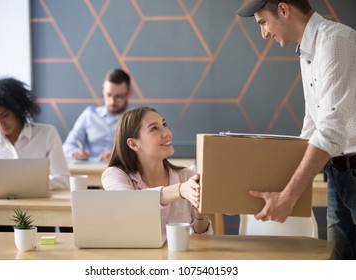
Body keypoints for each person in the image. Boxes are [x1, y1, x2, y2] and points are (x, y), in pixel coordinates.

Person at [236, 0, 356, 259]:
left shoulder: (334, 41)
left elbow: (330, 129)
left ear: (283, 9)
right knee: (342, 264)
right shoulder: (308, 51)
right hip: (337, 173)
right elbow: (312, 124)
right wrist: (278, 185)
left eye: (263, 22)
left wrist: (288, 195)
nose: (264, 33)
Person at [101, 107, 212, 235]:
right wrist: (180, 190)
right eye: (154, 128)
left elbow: (203, 240)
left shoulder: (187, 177)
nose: (166, 133)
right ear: (133, 144)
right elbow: (129, 202)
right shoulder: (114, 175)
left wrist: (200, 212)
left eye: (164, 125)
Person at [0, 77, 70, 190]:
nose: (1, 124)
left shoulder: (47, 134)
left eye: (5, 115)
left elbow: (63, 181)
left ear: (18, 110)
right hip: (0, 206)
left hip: (38, 205)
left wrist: (25, 185)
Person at [63, 68, 132, 162]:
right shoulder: (89, 115)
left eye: (118, 96)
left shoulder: (137, 120)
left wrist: (119, 155)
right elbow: (67, 146)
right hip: (92, 170)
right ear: (103, 92)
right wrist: (75, 152)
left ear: (129, 94)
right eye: (108, 95)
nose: (112, 101)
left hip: (124, 171)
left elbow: (146, 152)